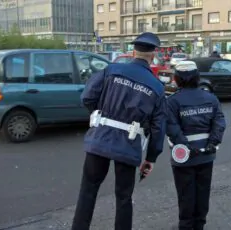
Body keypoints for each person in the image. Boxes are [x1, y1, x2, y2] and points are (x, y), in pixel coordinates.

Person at [71, 32, 167, 230]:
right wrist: (151, 158)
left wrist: (101, 117)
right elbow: (158, 128)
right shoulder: (156, 87)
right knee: (124, 197)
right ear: (153, 54)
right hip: (128, 145)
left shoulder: (111, 70)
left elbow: (86, 98)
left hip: (100, 139)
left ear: (133, 51)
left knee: (88, 191)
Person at [166, 61, 226, 230]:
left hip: (183, 157)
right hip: (206, 155)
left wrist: (186, 146)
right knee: (203, 193)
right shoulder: (211, 98)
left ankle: (186, 226)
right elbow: (219, 122)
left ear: (177, 79)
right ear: (197, 78)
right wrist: (212, 142)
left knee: (186, 195)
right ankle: (199, 225)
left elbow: (172, 128)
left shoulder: (172, 101)